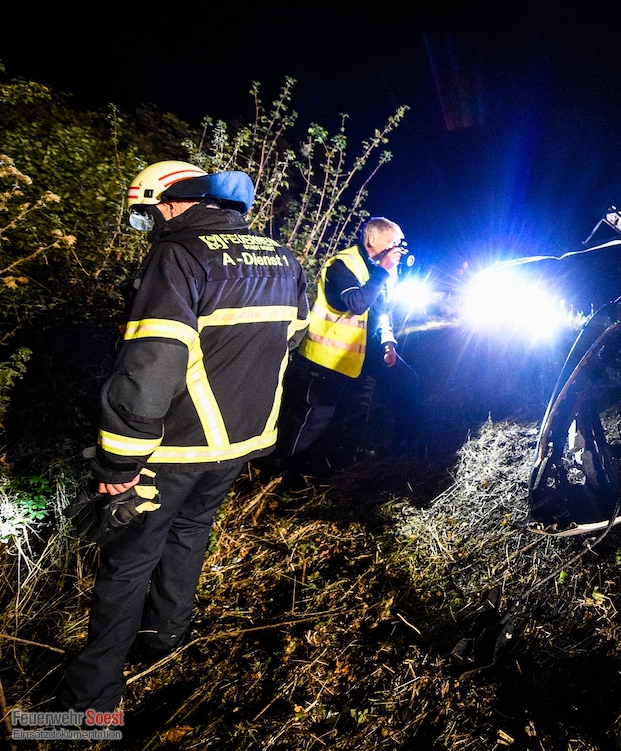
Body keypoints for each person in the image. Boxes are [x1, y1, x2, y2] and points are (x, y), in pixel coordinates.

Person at [56, 161, 310, 713]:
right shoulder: (283, 258)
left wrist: (119, 461)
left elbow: (149, 367)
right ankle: (164, 640)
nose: (146, 227)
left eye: (145, 215)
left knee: (129, 560)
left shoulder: (178, 257)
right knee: (190, 533)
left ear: (170, 202)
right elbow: (291, 338)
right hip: (239, 443)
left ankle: (91, 702)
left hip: (172, 446)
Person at [274, 217, 423, 474]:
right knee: (314, 419)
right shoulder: (342, 265)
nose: (397, 250)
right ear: (372, 240)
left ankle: (403, 449)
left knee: (407, 381)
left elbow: (382, 310)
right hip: (328, 354)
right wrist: (383, 271)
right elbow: (357, 303)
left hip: (365, 349)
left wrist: (388, 341)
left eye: (400, 244)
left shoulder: (383, 270)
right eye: (392, 243)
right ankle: (282, 473)